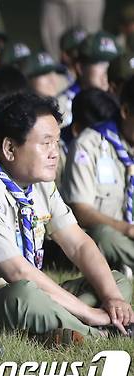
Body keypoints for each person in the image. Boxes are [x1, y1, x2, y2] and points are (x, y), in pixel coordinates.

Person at [0, 91, 133, 343]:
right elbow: (17, 273)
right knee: (24, 297)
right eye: (45, 143)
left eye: (56, 141)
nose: (55, 152)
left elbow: (78, 244)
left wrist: (112, 298)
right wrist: (89, 312)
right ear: (10, 148)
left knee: (115, 280)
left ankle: (67, 325)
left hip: (25, 291)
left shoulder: (39, 180)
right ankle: (99, 334)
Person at [62, 76, 134, 279]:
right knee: (103, 235)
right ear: (126, 111)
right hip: (110, 238)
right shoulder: (88, 145)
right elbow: (81, 211)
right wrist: (127, 229)